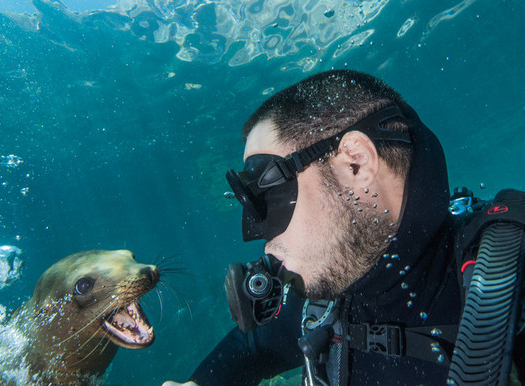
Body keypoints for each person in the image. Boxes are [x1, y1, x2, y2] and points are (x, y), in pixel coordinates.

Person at [163, 70, 525, 385]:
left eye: (265, 197)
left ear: (356, 163)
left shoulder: (509, 287)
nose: (260, 238)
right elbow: (252, 346)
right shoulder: (324, 310)